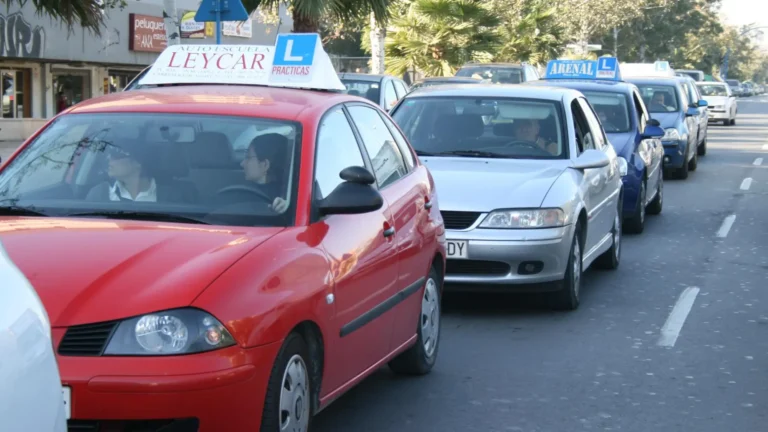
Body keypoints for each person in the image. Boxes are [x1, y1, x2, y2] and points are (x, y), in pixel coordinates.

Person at [86, 139, 185, 202]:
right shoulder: (98, 194)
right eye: (109, 155)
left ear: (138, 162)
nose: (110, 160)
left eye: (117, 155)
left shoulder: (172, 197)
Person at [241, 133, 289, 213]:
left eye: (248, 157)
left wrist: (288, 209)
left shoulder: (288, 199)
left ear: (264, 164)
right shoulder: (241, 190)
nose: (242, 163)